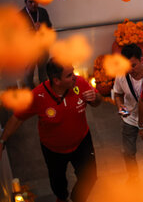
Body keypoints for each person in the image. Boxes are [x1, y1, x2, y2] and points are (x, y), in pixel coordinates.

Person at [0, 58, 102, 202]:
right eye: (69, 75)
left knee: (90, 176)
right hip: (53, 150)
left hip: (82, 143)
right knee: (58, 182)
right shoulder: (38, 96)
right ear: (57, 81)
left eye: (73, 72)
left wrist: (96, 97)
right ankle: (61, 198)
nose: (75, 76)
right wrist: (2, 140)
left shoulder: (80, 83)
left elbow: (97, 103)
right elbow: (17, 118)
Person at [113, 44, 143, 182]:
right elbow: (118, 94)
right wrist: (121, 107)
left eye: (133, 65)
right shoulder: (121, 75)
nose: (130, 70)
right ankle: (133, 177)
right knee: (128, 152)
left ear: (142, 60)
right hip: (130, 119)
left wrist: (142, 126)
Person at [21, 0, 53, 89]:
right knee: (29, 74)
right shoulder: (21, 15)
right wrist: (31, 29)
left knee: (43, 73)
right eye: (30, 2)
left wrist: (42, 28)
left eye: (36, 1)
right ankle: (31, 95)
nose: (34, 4)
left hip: (43, 47)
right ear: (25, 2)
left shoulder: (43, 12)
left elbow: (50, 27)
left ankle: (44, 93)